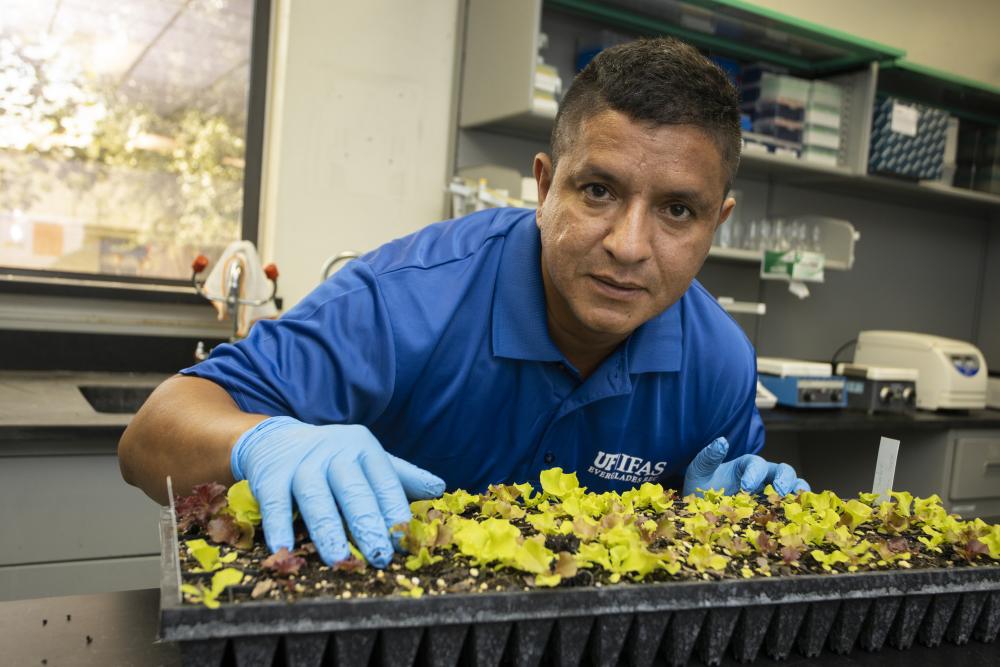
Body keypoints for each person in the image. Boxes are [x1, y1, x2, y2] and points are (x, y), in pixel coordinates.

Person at [118, 36, 808, 571]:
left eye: (677, 210)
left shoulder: (719, 362)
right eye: (598, 190)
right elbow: (150, 437)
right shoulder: (407, 301)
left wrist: (736, 516)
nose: (629, 246)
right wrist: (260, 442)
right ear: (544, 189)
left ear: (716, 224)